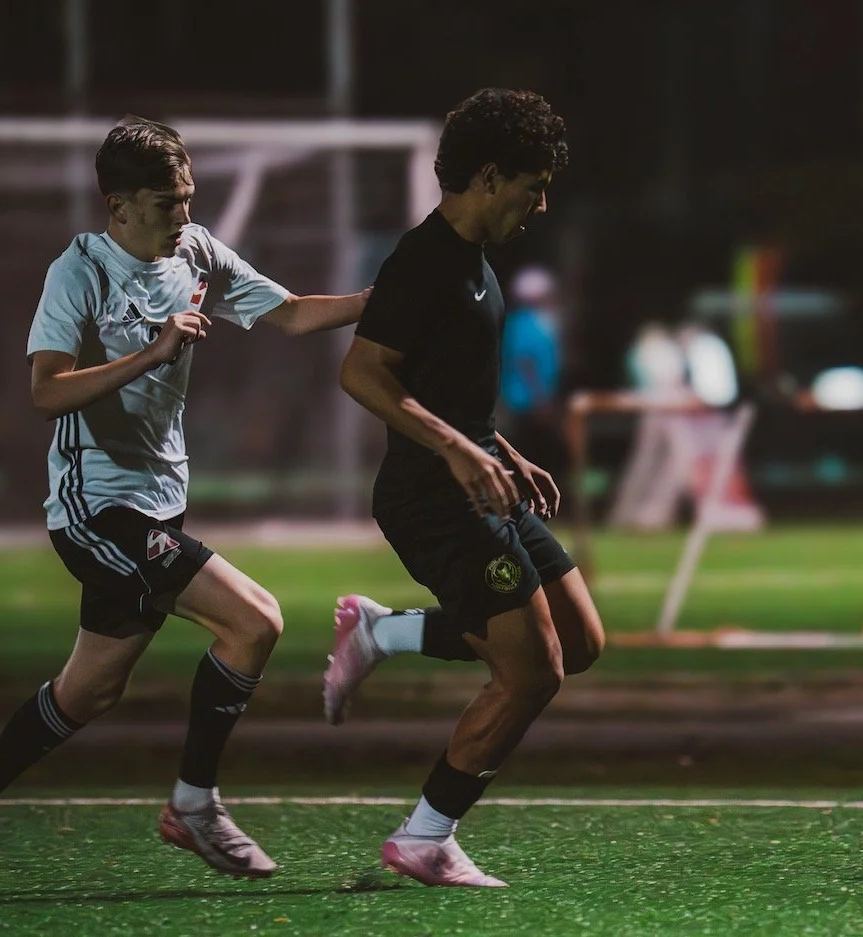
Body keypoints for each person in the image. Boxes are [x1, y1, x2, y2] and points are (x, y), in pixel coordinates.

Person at [0, 116, 373, 889]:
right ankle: (193, 804)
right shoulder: (80, 270)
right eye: (168, 203)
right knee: (255, 619)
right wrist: (152, 351)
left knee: (90, 688)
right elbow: (45, 390)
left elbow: (292, 312)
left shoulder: (194, 252)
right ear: (118, 206)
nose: (184, 217)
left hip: (158, 504)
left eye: (189, 198)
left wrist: (389, 298)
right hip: (95, 508)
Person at [326, 88, 605, 888]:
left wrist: (501, 450)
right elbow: (362, 372)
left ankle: (382, 635)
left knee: (581, 640)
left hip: (481, 479)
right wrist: (457, 447)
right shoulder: (420, 262)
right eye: (534, 182)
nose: (541, 201)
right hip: (431, 496)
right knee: (532, 671)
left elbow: (447, 391)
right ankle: (424, 835)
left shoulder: (479, 265)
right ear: (488, 176)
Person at [498, 264, 567, 486]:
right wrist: (541, 400)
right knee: (532, 454)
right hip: (526, 402)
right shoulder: (527, 324)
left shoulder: (522, 323)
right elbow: (526, 363)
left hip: (526, 400)